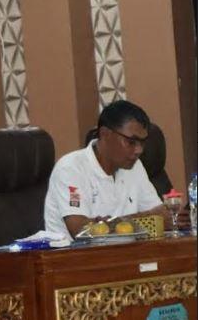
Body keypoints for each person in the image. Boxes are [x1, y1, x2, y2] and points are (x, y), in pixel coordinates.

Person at [44, 100, 169, 240]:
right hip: (77, 252)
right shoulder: (70, 168)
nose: (138, 150)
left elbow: (162, 215)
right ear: (105, 134)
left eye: (142, 143)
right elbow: (81, 230)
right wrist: (143, 218)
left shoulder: (135, 166)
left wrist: (114, 222)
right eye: (131, 142)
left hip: (128, 250)